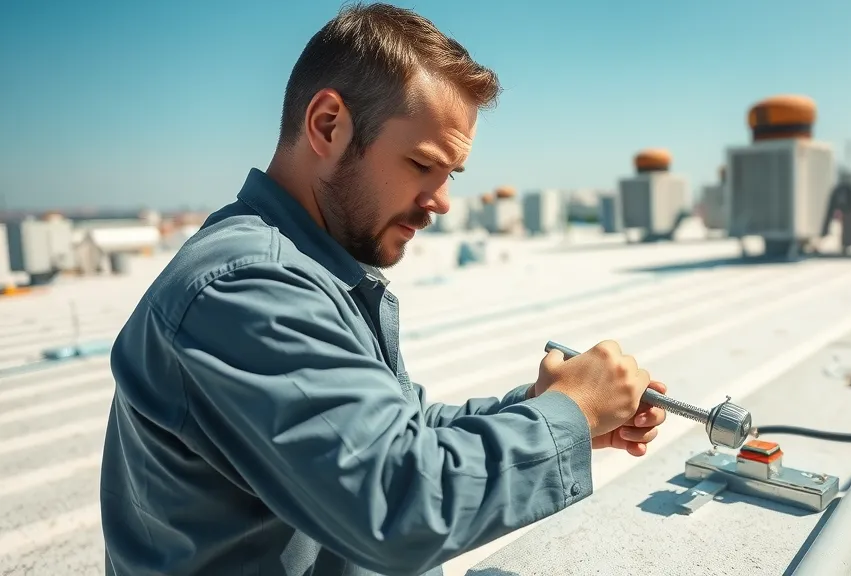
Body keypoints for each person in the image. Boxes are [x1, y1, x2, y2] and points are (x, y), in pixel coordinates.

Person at [99, 3, 667, 576]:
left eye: (450, 175)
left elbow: (396, 435)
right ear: (328, 125)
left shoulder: (311, 268)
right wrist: (570, 413)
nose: (441, 202)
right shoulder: (247, 288)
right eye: (422, 164)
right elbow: (396, 502)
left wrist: (540, 409)